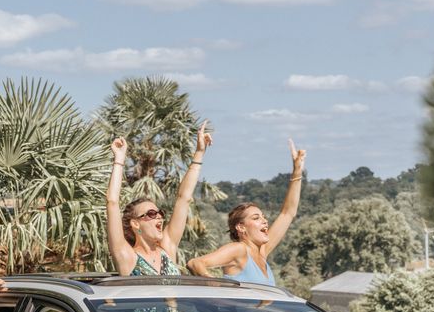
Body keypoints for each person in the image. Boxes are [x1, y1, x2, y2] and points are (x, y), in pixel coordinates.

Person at [187, 139, 306, 285]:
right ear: (241, 227)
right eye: (256, 218)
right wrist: (218, 288)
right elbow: (195, 263)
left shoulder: (261, 253)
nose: (264, 220)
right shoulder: (239, 250)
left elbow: (288, 213)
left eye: (263, 217)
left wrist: (297, 171)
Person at [106, 121, 213, 276]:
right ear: (136, 224)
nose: (159, 217)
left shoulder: (167, 249)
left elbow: (184, 198)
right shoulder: (127, 257)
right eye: (151, 214)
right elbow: (112, 202)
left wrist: (199, 152)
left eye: (160, 213)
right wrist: (119, 158)